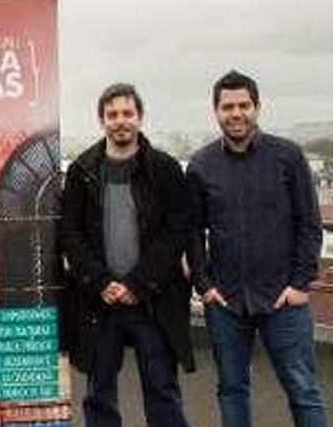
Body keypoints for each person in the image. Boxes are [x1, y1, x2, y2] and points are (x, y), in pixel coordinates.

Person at [187, 70, 327, 427]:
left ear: (257, 107)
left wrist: (299, 285)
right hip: (227, 303)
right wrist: (204, 286)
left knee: (303, 390)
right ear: (216, 111)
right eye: (228, 106)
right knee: (232, 389)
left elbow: (309, 224)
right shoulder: (201, 165)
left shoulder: (288, 157)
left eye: (244, 105)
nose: (236, 114)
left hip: (283, 299)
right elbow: (192, 231)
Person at [60, 83, 195, 427]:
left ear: (140, 117)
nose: (121, 121)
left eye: (127, 114)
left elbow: (176, 231)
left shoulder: (164, 169)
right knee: (99, 393)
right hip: (100, 304)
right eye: (112, 115)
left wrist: (137, 284)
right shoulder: (82, 171)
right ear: (101, 120)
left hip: (152, 301)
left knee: (162, 391)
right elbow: (70, 234)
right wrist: (102, 282)